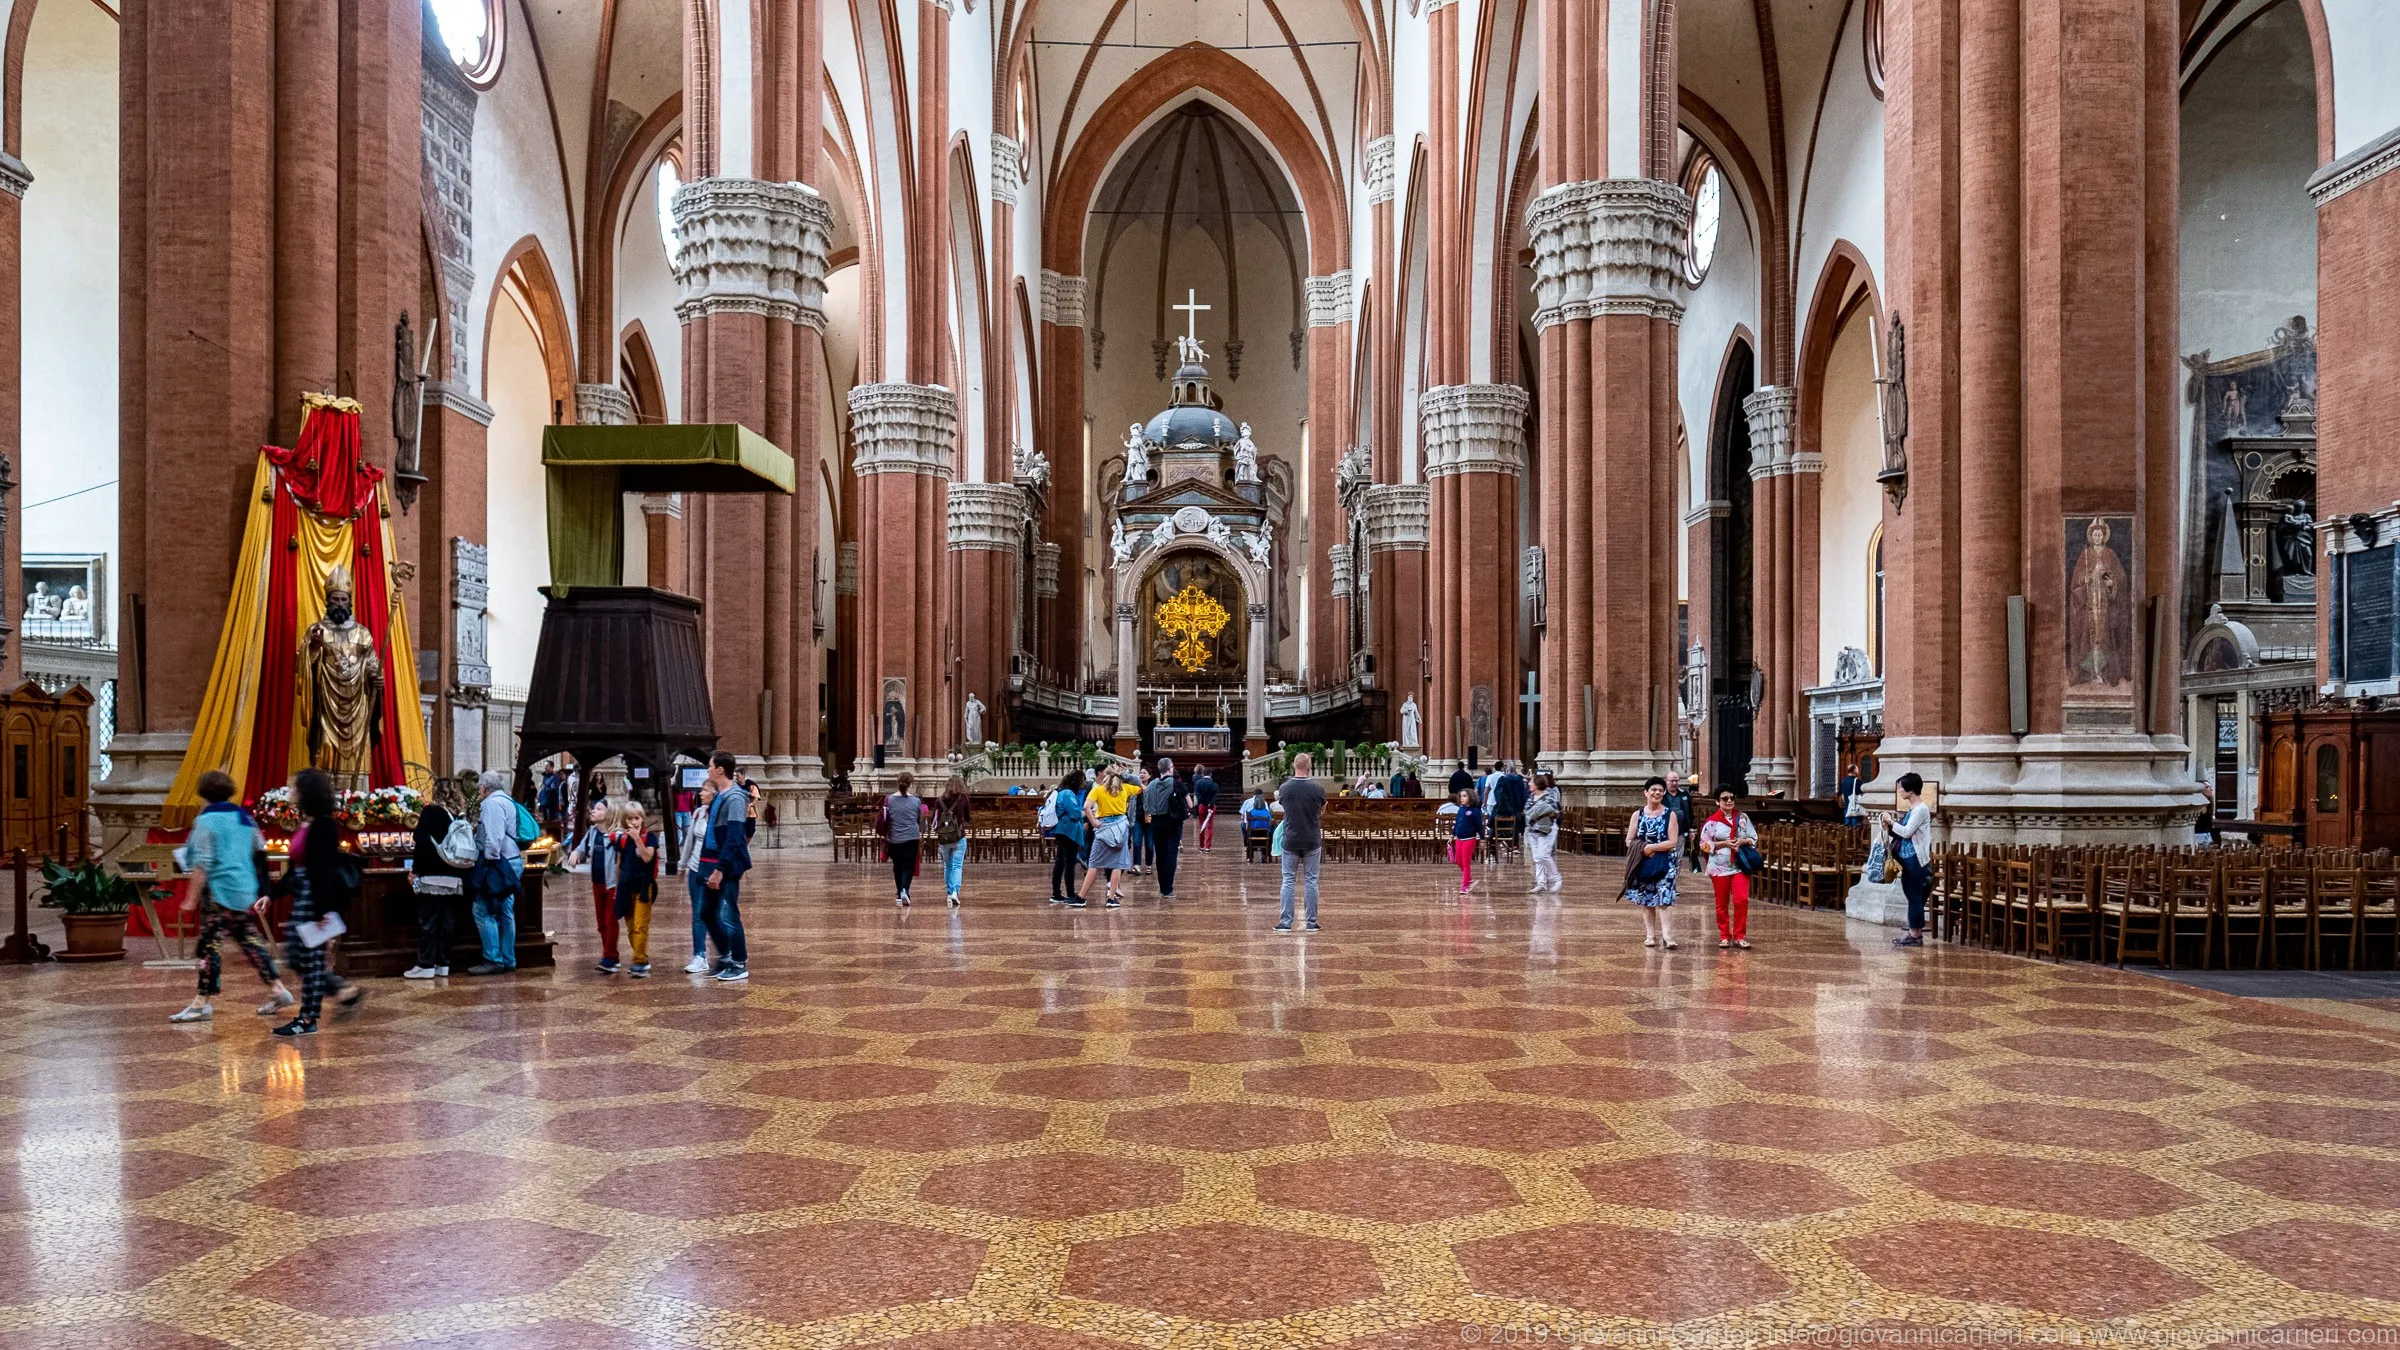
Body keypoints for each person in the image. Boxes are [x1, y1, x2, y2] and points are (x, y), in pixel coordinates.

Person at [169, 770, 293, 1023]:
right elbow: (260, 852)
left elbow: (202, 863)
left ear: (203, 793)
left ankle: (200, 1004)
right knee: (249, 940)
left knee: (208, 947)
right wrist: (262, 889)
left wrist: (190, 898)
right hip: (243, 888)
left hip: (218, 892)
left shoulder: (207, 821)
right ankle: (278, 989)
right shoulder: (245, 818)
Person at [272, 769, 366, 1035]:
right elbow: (296, 869)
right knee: (297, 957)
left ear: (307, 792)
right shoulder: (308, 824)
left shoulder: (324, 825)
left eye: (294, 788)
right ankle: (344, 991)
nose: (290, 792)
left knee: (310, 961)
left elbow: (323, 870)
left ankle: (307, 1019)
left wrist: (324, 910)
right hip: (304, 896)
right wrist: (272, 894)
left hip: (314, 901)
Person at [402, 781, 470, 979]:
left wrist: (415, 871)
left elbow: (421, 843)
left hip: (432, 874)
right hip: (454, 874)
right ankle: (443, 963)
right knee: (447, 922)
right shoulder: (458, 815)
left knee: (428, 922)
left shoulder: (431, 811)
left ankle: (426, 964)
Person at [697, 752, 753, 979]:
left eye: (710, 767)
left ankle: (739, 964)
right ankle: (725, 957)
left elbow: (734, 836)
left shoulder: (736, 798)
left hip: (728, 866)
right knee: (707, 913)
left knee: (730, 915)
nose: (708, 771)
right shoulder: (719, 796)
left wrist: (720, 869)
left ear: (720, 769)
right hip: (712, 862)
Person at [467, 769, 522, 975]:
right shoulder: (508, 800)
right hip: (512, 859)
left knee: (482, 910)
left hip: (499, 863)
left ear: (483, 788)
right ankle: (508, 959)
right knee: (506, 912)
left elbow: (494, 835)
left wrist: (489, 860)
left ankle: (493, 958)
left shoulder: (491, 804)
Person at [1622, 775, 1682, 949]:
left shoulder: (1670, 815)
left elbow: (1672, 842)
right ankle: (1650, 935)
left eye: (1660, 791)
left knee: (1664, 897)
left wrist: (1653, 847)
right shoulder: (1638, 814)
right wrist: (1643, 848)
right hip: (1644, 861)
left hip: (1666, 862)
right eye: (1653, 790)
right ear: (1646, 793)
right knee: (1646, 900)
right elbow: (1629, 840)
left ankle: (1668, 936)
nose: (1657, 793)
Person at [1699, 786, 1758, 950]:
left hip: (1739, 866)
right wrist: (1723, 844)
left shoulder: (1743, 818)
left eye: (1732, 798)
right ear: (1718, 802)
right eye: (1725, 798)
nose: (1729, 801)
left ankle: (1740, 936)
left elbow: (1754, 838)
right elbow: (1703, 845)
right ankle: (1724, 935)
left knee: (1741, 900)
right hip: (1719, 868)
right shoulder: (1712, 822)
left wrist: (1743, 841)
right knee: (1722, 903)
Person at [566, 801, 622, 972]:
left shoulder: (617, 835)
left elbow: (623, 859)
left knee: (610, 921)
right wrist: (575, 853)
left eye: (599, 809)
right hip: (597, 883)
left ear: (610, 813)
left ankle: (609, 957)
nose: (593, 811)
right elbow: (581, 848)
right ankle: (611, 956)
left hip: (612, 884)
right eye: (594, 808)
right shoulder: (592, 832)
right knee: (601, 923)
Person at [1274, 752, 1326, 932]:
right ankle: (1311, 923)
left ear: (1293, 766)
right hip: (1312, 838)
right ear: (1309, 767)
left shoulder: (1285, 788)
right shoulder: (1318, 788)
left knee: (1288, 880)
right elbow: (1322, 811)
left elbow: (1283, 806)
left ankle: (1285, 923)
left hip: (1291, 838)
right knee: (1311, 881)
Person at [1884, 773, 1933, 948]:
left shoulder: (1921, 809)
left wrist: (1891, 821)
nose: (1898, 790)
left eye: (1900, 787)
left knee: (1915, 897)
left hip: (1916, 861)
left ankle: (1915, 934)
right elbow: (1900, 832)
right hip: (1908, 859)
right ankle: (1915, 931)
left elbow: (1906, 832)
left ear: (1910, 790)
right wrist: (1889, 826)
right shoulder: (1914, 809)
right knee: (1912, 896)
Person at [1077, 764, 1136, 908]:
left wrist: (1093, 822)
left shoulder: (1098, 790)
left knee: (1094, 863)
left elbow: (1086, 807)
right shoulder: (1125, 789)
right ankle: (1111, 898)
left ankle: (1081, 897)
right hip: (1121, 827)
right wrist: (1125, 775)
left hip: (1104, 828)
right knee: (1117, 864)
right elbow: (1141, 787)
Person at [680, 781, 721, 973]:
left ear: (715, 793)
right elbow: (689, 840)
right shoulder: (698, 812)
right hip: (695, 869)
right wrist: (682, 864)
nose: (701, 793)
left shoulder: (720, 814)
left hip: (713, 869)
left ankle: (726, 954)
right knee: (697, 914)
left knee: (717, 914)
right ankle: (699, 956)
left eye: (705, 790)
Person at [1144, 758, 1190, 899]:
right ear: (1170, 768)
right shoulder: (1177, 784)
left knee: (1160, 854)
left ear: (1159, 769)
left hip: (1156, 822)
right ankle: (1168, 889)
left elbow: (1146, 806)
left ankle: (1162, 886)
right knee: (1171, 855)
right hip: (1172, 822)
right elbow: (1190, 803)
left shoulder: (1151, 785)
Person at [881, 771, 926, 907]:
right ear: (910, 784)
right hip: (911, 837)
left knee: (897, 866)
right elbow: (920, 820)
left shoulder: (889, 800)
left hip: (894, 838)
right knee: (908, 866)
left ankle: (900, 892)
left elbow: (884, 819)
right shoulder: (916, 801)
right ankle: (905, 890)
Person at [1045, 769, 1088, 903]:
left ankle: (1056, 893)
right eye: (1082, 781)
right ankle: (1070, 894)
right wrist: (1085, 813)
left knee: (1060, 862)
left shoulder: (1060, 791)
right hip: (1068, 831)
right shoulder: (1068, 793)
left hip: (1061, 830)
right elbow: (1074, 813)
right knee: (1069, 863)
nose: (1083, 784)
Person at [932, 780, 971, 906]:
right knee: (957, 865)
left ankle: (949, 893)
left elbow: (935, 819)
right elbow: (968, 817)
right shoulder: (963, 799)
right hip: (959, 836)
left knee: (947, 865)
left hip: (944, 837)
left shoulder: (939, 800)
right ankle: (955, 892)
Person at [1524, 770, 1563, 894]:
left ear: (1537, 784)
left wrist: (1536, 812)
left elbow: (1554, 811)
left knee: (1543, 855)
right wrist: (1537, 812)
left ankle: (1556, 879)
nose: (1529, 783)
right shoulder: (1531, 797)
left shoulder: (1549, 798)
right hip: (1533, 830)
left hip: (1547, 830)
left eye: (1531, 781)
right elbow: (1527, 812)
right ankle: (1541, 883)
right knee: (1537, 858)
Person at [1448, 788, 1484, 893]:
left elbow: (1479, 826)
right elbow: (1457, 823)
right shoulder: (1461, 809)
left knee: (1466, 862)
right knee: (1459, 861)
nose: (1462, 798)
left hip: (1469, 839)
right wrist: (1452, 835)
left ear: (1470, 797)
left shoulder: (1475, 811)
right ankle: (1469, 880)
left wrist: (1482, 839)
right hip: (1459, 838)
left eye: (1465, 796)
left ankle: (1464, 886)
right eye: (1461, 796)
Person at [1490, 761, 1529, 857]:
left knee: (1495, 825)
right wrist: (1521, 806)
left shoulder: (1503, 779)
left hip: (1503, 808)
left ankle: (1495, 845)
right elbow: (1522, 794)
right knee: (1514, 827)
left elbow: (1498, 793)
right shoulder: (1519, 780)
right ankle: (1513, 845)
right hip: (1516, 807)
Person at [1661, 771, 1697, 871]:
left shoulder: (1684, 794)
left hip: (1681, 830)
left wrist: (1691, 828)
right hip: (1665, 830)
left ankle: (1674, 876)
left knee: (1678, 856)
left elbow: (1690, 812)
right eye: (1672, 781)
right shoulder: (1661, 795)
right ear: (1666, 781)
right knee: (1665, 855)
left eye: (1676, 781)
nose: (1674, 783)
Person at [1126, 766, 1152, 875]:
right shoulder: (1134, 787)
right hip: (1136, 817)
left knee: (1149, 843)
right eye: (1141, 772)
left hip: (1150, 817)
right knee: (1137, 841)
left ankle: (1149, 865)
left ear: (1149, 775)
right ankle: (1136, 865)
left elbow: (1149, 793)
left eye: (1144, 773)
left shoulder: (1152, 786)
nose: (1142, 774)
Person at [1192, 766, 1220, 853]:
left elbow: (1197, 794)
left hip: (1201, 806)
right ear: (1210, 774)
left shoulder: (1198, 783)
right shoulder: (1214, 784)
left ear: (1203, 774)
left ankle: (1201, 845)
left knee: (1202, 825)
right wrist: (1210, 803)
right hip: (1211, 806)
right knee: (1209, 826)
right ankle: (1207, 847)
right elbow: (1216, 796)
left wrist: (1202, 802)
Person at [1838, 763, 1866, 828]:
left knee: (1847, 824)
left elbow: (1842, 794)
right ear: (1854, 770)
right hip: (1855, 806)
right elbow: (1861, 792)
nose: (1858, 770)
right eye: (1857, 768)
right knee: (1855, 825)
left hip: (1847, 805)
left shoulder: (1844, 780)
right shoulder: (1857, 781)